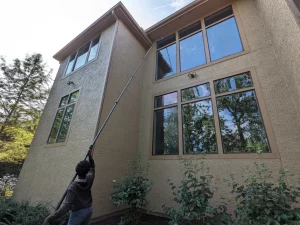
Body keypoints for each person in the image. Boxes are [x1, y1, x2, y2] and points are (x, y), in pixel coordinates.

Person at [43, 150, 95, 225]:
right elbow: (92, 167)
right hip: (89, 210)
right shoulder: (90, 178)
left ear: (76, 171)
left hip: (78, 213)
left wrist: (49, 218)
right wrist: (90, 156)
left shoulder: (73, 188)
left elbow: (66, 207)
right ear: (86, 172)